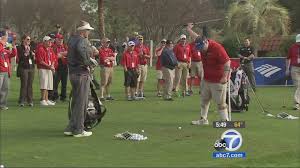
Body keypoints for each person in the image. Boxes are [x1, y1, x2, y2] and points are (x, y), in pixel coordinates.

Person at [186, 23, 231, 125]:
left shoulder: (217, 48)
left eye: (201, 47)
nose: (200, 50)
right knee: (204, 100)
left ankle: (225, 120)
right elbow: (195, 36)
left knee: (220, 102)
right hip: (206, 79)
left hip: (218, 80)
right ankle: (203, 119)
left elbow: (227, 62)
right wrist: (189, 29)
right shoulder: (200, 41)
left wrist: (225, 77)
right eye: (199, 48)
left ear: (206, 42)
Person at [64, 20, 94, 137]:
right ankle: (79, 130)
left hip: (73, 73)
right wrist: (88, 62)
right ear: (82, 30)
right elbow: (81, 50)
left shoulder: (71, 39)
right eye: (87, 30)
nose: (88, 32)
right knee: (82, 103)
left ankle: (71, 127)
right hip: (81, 73)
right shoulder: (82, 40)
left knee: (76, 102)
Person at [35, 36, 56, 106]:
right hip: (43, 68)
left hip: (49, 68)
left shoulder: (50, 49)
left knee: (48, 84)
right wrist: (49, 66)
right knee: (44, 84)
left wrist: (52, 66)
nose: (50, 42)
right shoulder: (40, 49)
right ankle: (42, 99)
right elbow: (40, 61)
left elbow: (53, 58)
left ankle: (46, 99)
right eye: (48, 41)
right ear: (44, 42)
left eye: (50, 41)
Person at [0, 30, 17, 110]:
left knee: (5, 89)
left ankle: (2, 105)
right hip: (0, 71)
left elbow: (13, 54)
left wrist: (13, 46)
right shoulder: (1, 46)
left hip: (6, 71)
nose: (8, 37)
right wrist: (2, 44)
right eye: (6, 36)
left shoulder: (4, 47)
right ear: (2, 36)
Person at [17, 34, 35, 107]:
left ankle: (30, 100)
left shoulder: (31, 48)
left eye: (29, 40)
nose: (29, 41)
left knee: (30, 85)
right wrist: (26, 53)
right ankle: (22, 101)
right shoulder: (20, 48)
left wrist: (33, 55)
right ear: (23, 40)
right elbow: (20, 57)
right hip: (23, 68)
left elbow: (32, 58)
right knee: (24, 84)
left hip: (31, 67)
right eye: (27, 39)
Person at [52, 33, 68, 102]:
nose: (60, 41)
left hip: (65, 65)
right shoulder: (54, 47)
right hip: (57, 66)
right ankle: (55, 96)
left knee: (64, 82)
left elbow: (68, 53)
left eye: (61, 39)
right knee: (55, 82)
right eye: (59, 39)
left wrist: (61, 54)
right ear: (56, 40)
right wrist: (62, 54)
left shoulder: (65, 46)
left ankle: (63, 96)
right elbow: (55, 56)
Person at [286, 34, 300, 110]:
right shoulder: (292, 47)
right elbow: (288, 58)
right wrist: (287, 69)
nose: (299, 43)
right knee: (298, 85)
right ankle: (297, 103)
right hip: (295, 68)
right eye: (298, 42)